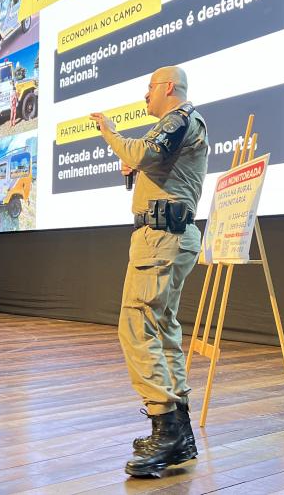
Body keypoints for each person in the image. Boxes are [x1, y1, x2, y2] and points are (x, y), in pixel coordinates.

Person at [90, 66, 209, 477]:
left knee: (137, 324)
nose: (145, 96)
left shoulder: (179, 118)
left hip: (162, 237)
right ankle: (179, 434)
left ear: (169, 88)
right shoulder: (175, 125)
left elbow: (141, 154)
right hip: (163, 237)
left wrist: (109, 132)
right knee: (161, 327)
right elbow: (146, 160)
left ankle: (166, 427)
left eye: (149, 88)